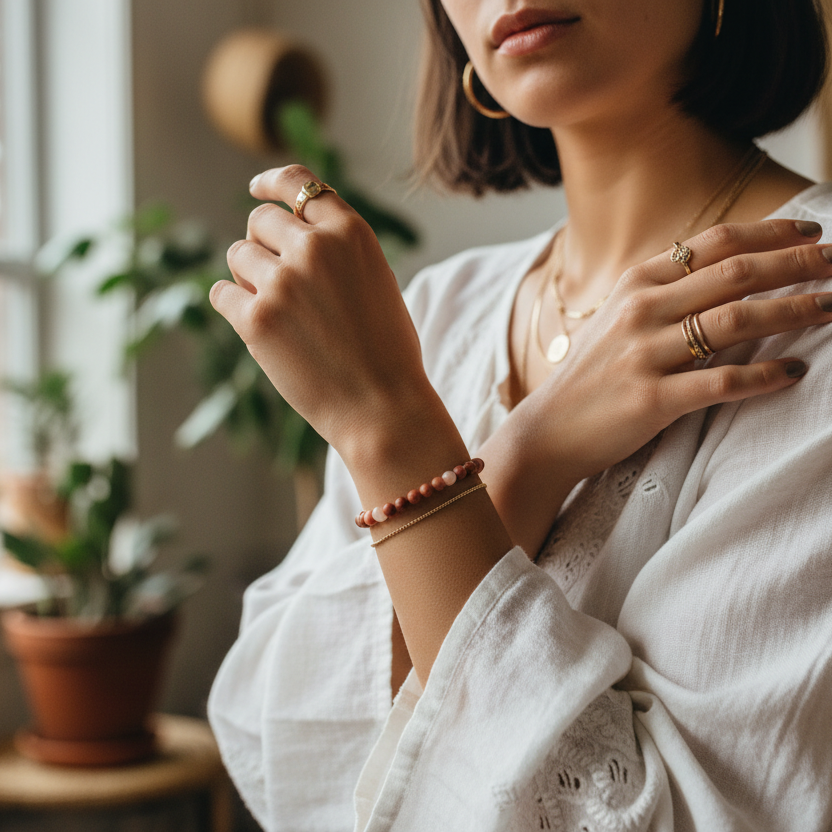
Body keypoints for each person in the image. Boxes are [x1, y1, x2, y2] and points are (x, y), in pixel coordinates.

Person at [207, 0, 832, 829]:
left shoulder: (808, 307)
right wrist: (524, 455)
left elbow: (689, 813)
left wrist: (396, 440)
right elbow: (282, 734)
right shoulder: (435, 316)